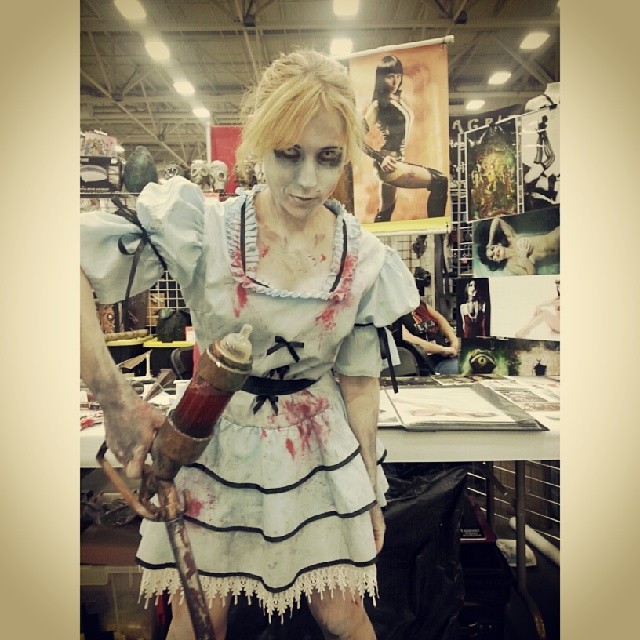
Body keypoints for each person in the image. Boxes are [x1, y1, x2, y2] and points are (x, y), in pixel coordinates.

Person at [80, 49, 419, 640]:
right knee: (200, 616)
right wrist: (113, 398)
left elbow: (360, 384)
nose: (308, 181)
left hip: (318, 447)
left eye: (328, 157)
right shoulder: (203, 231)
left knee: (342, 613)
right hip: (213, 440)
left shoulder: (363, 257)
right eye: (289, 154)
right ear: (260, 142)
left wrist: (367, 487)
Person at [362, 55, 448, 222]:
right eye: (390, 76)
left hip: (396, 161)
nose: (395, 81)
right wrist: (380, 158)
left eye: (398, 76)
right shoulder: (378, 105)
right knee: (440, 181)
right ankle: (434, 235)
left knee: (386, 210)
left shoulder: (398, 99)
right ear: (381, 78)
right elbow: (356, 138)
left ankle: (375, 238)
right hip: (390, 163)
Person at [478, 214, 560, 276]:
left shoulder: (511, 238)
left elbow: (497, 219)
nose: (495, 253)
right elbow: (531, 275)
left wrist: (490, 242)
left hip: (557, 237)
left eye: (492, 249)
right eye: (492, 256)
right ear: (496, 261)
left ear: (497, 244)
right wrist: (524, 257)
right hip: (560, 257)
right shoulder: (511, 266)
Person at [398, 299, 460, 374]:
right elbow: (407, 338)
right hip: (429, 364)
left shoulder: (418, 303)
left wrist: (454, 340)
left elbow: (440, 319)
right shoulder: (394, 313)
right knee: (464, 368)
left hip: (447, 356)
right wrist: (442, 350)